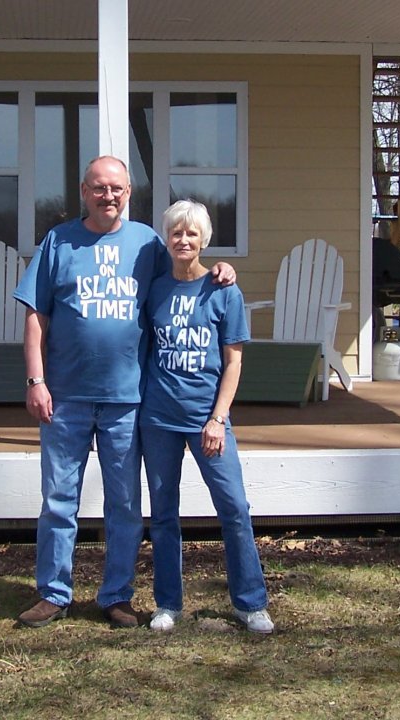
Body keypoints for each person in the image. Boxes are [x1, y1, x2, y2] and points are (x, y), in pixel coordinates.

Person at [13, 156, 235, 629]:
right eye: (99, 188)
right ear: (84, 191)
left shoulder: (147, 243)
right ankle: (53, 593)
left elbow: (185, 269)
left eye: (116, 188)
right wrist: (36, 380)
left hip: (128, 399)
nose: (108, 196)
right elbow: (36, 315)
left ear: (129, 192)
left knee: (125, 504)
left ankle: (116, 595)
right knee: (58, 500)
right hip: (65, 397)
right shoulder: (58, 242)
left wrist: (220, 269)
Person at [140, 199, 274, 634]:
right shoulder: (154, 289)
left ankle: (251, 603)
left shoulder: (223, 290)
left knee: (234, 507)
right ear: (167, 238)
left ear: (204, 240)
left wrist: (218, 419)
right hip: (158, 418)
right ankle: (167, 604)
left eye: (191, 233)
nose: (183, 240)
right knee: (163, 514)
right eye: (176, 232)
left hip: (208, 420)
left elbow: (233, 362)